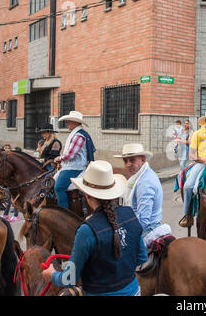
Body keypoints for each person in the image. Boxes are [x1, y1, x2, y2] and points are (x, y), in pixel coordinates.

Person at [42, 160, 147, 296]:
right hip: (134, 291)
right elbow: (142, 258)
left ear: (87, 195)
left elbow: (69, 279)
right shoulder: (129, 213)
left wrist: (52, 275)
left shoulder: (86, 231)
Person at [115, 143, 165, 244]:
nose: (128, 164)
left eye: (132, 160)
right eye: (125, 161)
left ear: (143, 160)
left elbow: (143, 221)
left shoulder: (145, 183)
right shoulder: (140, 175)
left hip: (146, 230)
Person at [54, 111, 96, 210]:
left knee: (58, 188)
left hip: (74, 167)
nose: (67, 124)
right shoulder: (80, 134)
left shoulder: (78, 136)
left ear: (75, 123)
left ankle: (64, 212)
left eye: (69, 122)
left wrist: (59, 158)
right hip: (73, 166)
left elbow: (70, 155)